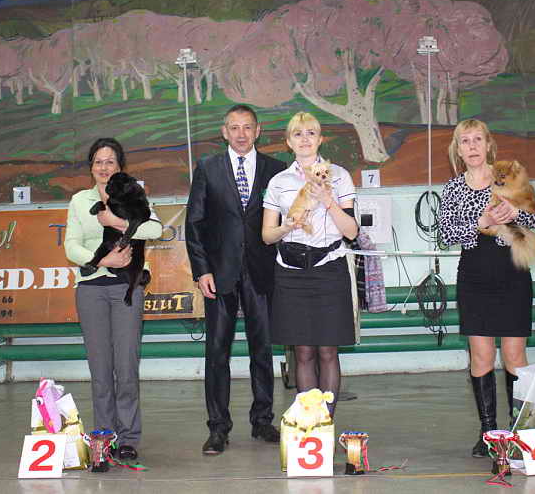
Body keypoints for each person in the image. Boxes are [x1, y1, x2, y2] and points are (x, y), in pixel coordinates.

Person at [438, 119, 535, 458]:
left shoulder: (511, 176)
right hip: (474, 276)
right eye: (464, 141)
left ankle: (518, 431)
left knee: (515, 356)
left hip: (512, 272)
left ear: (488, 145)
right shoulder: (452, 188)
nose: (471, 146)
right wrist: (479, 223)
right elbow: (445, 235)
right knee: (481, 357)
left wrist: (516, 214)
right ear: (458, 149)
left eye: (477, 139)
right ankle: (488, 433)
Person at [185, 104, 286, 455]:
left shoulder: (277, 169)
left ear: (258, 131)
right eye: (234, 127)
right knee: (217, 351)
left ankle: (263, 421)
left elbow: (285, 221)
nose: (241, 134)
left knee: (263, 349)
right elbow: (194, 223)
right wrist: (202, 270)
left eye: (247, 127)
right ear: (224, 132)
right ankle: (218, 428)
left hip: (263, 271)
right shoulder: (207, 168)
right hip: (219, 273)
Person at [64, 137, 162, 461]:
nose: (104, 167)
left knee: (126, 366)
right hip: (91, 289)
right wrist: (104, 261)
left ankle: (129, 437)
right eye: (98, 162)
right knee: (100, 368)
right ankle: (104, 437)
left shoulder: (134, 194)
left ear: (120, 167)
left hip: (126, 289)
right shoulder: (80, 201)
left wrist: (116, 223)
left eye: (110, 162)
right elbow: (71, 246)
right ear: (91, 167)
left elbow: (155, 230)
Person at [261, 112, 358, 417]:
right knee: (302, 352)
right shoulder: (279, 182)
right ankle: (309, 422)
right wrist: (286, 226)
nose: (305, 139)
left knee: (328, 350)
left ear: (320, 139)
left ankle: (325, 422)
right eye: (298, 134)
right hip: (291, 273)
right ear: (288, 142)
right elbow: (267, 235)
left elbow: (351, 232)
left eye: (311, 133)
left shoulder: (339, 176)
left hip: (329, 269)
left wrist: (328, 200)